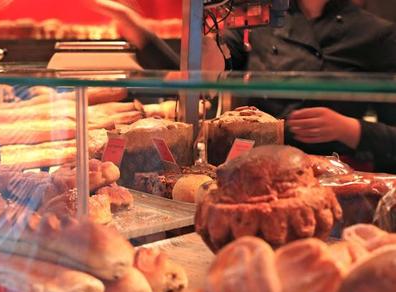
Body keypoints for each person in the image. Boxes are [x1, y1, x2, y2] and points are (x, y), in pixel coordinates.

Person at [92, 0, 396, 173]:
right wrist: (142, 32)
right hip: (252, 169)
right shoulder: (262, 22)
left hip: (333, 175)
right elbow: (193, 79)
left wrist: (351, 130)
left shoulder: (375, 34)